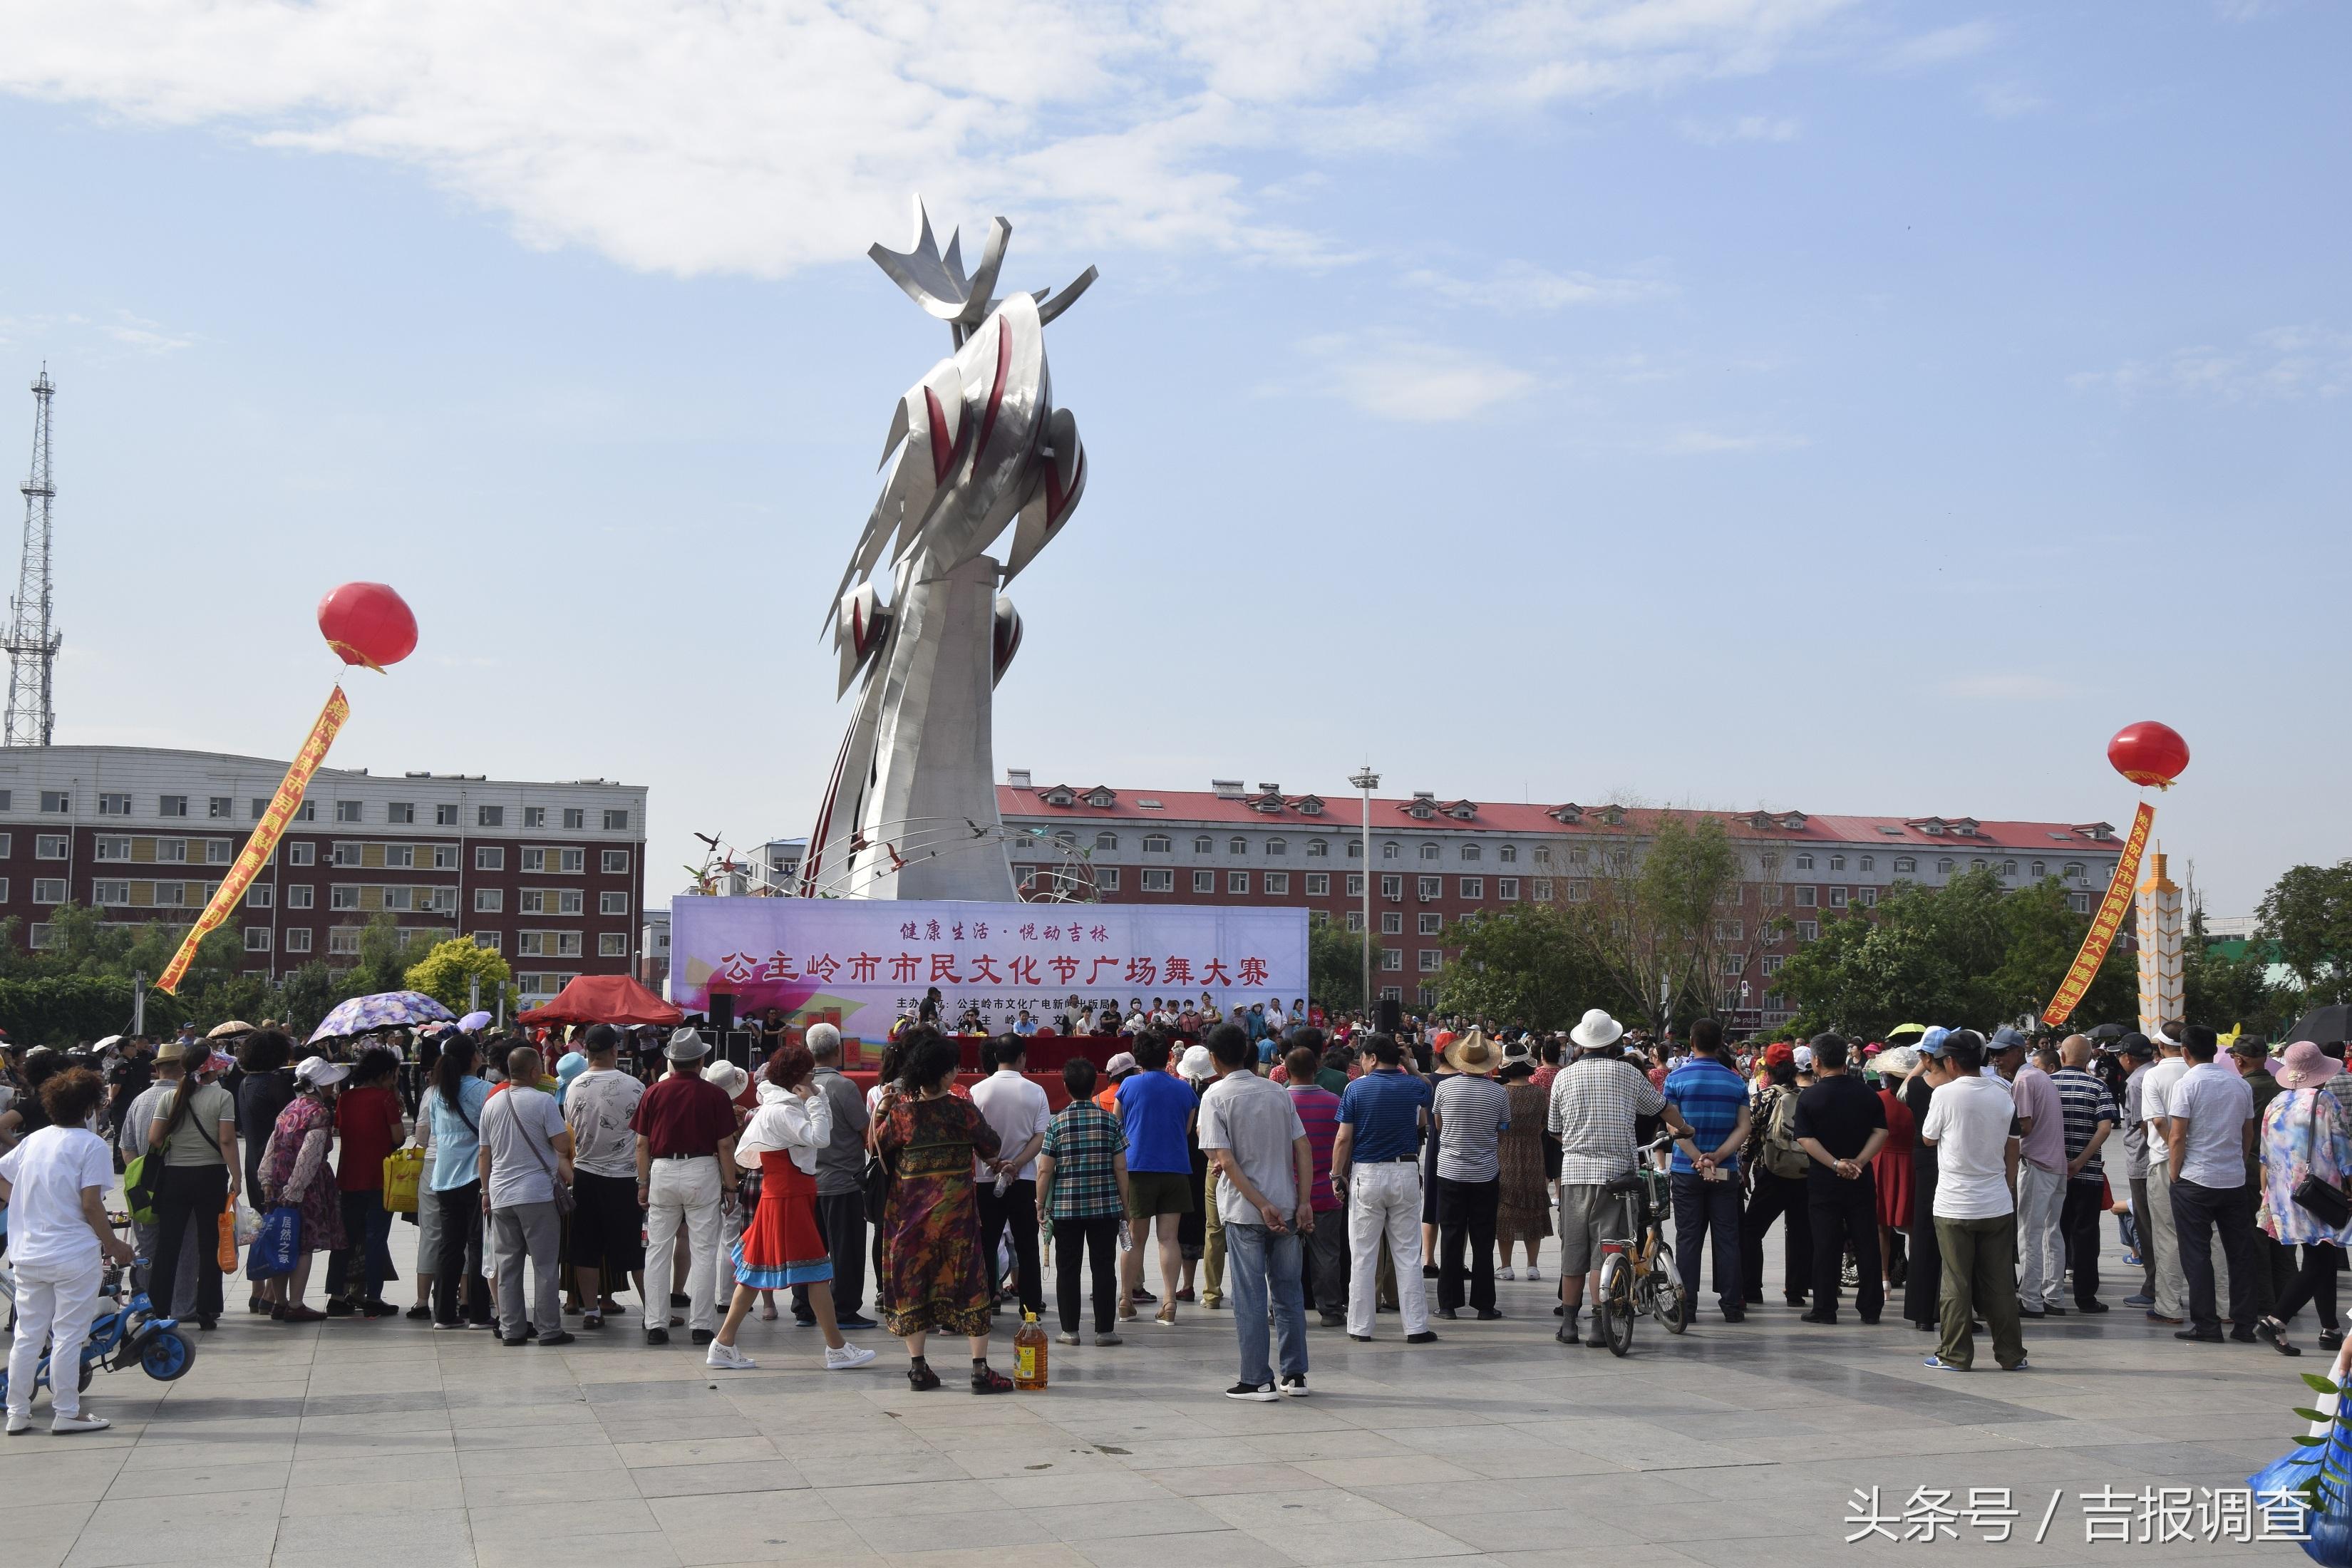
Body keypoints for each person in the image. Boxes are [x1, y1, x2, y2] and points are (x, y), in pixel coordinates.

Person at [706, 1042, 878, 1371]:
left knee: (757, 1273)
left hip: (787, 1194)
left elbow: (817, 1134)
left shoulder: (781, 1104)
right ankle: (837, 1349)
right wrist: (815, 1098)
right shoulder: (783, 1109)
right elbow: (820, 1138)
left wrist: (817, 1098)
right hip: (788, 1196)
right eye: (810, 1071)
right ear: (799, 1075)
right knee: (813, 1272)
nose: (814, 1076)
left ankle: (724, 1344)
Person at [873, 1029, 1014, 1392]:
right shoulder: (962, 1110)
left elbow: (879, 1148)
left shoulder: (902, 1114)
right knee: (970, 1286)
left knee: (913, 1286)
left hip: (909, 1220)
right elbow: (991, 1144)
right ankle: (980, 1370)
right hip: (957, 1221)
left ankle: (919, 1369)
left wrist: (884, 1110)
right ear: (946, 1073)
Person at [0, 1068, 137, 1434]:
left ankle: (17, 1413)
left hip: (28, 1252)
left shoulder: (35, 1139)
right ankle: (67, 1412)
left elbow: (2, 1174)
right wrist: (114, 1245)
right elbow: (92, 1204)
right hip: (72, 1255)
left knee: (28, 1334)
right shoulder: (91, 1145)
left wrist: (23, 1205)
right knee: (68, 1334)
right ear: (92, 1107)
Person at [1549, 1009, 1678, 1346]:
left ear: (1580, 1042)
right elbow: (1662, 1107)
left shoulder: (1563, 1077)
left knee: (1574, 1250)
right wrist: (1686, 1127)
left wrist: (1578, 1144)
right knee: (1605, 1252)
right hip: (1617, 1175)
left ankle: (1568, 1325)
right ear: (1612, 1042)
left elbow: (1554, 1130)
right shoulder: (1627, 1073)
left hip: (1575, 1175)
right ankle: (1598, 1326)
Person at [1198, 1021, 1314, 1400]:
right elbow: (1303, 1148)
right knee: (1288, 1293)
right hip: (1285, 1204)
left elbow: (1226, 1161)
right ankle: (1294, 1375)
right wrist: (1304, 1201)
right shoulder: (1278, 1092)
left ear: (1214, 1059)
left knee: (1250, 1296)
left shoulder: (1215, 1096)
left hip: (1247, 1211)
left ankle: (1256, 1378)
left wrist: (1260, 1203)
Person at [1917, 1030, 2027, 1371]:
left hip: (1954, 1203)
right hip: (1995, 1201)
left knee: (1956, 1282)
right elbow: (2013, 1144)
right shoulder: (2004, 1092)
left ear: (1950, 1061)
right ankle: (2011, 1355)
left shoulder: (1945, 1095)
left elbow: (1928, 1138)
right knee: (2000, 1284)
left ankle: (1955, 1354)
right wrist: (2008, 1184)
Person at [631, 1028, 738, 1347]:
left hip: (662, 1171)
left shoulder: (653, 1092)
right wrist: (730, 1186)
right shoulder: (715, 1095)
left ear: (671, 1062)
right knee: (704, 1250)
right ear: (700, 1060)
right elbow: (725, 1146)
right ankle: (702, 1326)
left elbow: (641, 1145)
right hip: (702, 1170)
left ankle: (656, 1323)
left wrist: (642, 1183)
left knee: (657, 1250)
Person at [1332, 1031, 1436, 1344]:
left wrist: (1337, 1175)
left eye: (1362, 1057)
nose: (1360, 1063)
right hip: (1404, 1171)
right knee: (1407, 1253)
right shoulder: (1413, 1086)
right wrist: (1411, 1065)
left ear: (1373, 1058)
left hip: (1367, 1175)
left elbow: (1343, 1138)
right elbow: (1430, 1090)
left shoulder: (1355, 1089)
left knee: (1363, 1254)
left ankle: (1361, 1326)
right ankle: (1416, 1326)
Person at [2256, 1041, 2352, 1356]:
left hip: (2287, 1192)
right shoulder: (2325, 1102)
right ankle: (2276, 1319)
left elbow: (2265, 1154)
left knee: (2320, 1253)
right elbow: (2343, 1151)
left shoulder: (2277, 1102)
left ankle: (2331, 1328)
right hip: (2322, 1191)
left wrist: (2266, 1194)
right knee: (2319, 1258)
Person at [476, 1046, 576, 1348]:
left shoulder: (491, 1104)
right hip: (536, 1194)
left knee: (508, 1266)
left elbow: (484, 1153)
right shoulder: (543, 1101)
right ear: (534, 1071)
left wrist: (485, 1191)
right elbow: (561, 1145)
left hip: (501, 1194)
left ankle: (512, 1330)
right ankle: (548, 1330)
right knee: (545, 1266)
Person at [2167, 1023, 2260, 1344]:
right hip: (2233, 1179)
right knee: (2240, 1253)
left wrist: (2174, 1173)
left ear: (2185, 1052)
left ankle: (2207, 1324)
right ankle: (2245, 1324)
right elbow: (2247, 1132)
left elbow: (2178, 1135)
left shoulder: (2187, 1084)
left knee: (2197, 1254)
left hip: (2195, 1178)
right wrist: (2238, 1159)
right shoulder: (2239, 1085)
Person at [140, 1041, 240, 1331]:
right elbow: (226, 1140)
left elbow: (155, 1139)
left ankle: (158, 1307)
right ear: (210, 1067)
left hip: (175, 1177)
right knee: (209, 1245)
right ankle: (206, 1311)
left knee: (168, 1245)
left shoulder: (170, 1098)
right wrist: (237, 1176)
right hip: (211, 1176)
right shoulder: (222, 1097)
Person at [1791, 1033, 1888, 1324]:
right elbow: (1881, 1132)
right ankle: (1871, 1308)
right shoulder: (1866, 1093)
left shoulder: (1810, 1097)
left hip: (1824, 1179)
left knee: (1825, 1244)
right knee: (1866, 1241)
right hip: (1861, 1177)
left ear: (1817, 1061)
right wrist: (1858, 1161)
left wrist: (1835, 1164)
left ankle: (1825, 1307)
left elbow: (1806, 1139)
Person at [1662, 1017, 1751, 1326]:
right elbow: (1744, 1127)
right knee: (1728, 1237)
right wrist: (1719, 1156)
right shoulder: (1736, 1081)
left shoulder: (1676, 1078)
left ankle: (1687, 1306)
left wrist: (1698, 1158)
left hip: (1687, 1170)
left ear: (1691, 1042)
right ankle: (1732, 1305)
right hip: (1725, 1170)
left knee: (1688, 1239)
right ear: (1720, 1043)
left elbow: (1673, 1125)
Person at [1036, 1058, 1130, 1346]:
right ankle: (1105, 1331)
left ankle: (1070, 1331)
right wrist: (1125, 1206)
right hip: (1105, 1208)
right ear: (1095, 1086)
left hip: (1066, 1209)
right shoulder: (1110, 1121)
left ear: (1065, 1087)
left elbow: (1045, 1169)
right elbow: (1121, 1168)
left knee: (1068, 1268)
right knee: (1104, 1267)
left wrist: (1041, 1205)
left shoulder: (1057, 1123)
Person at [254, 1056, 351, 1322]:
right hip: (305, 1185)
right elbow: (309, 1154)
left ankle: (280, 1302)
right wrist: (295, 1189)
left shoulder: (289, 1109)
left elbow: (271, 1147)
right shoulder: (319, 1113)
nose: (333, 1088)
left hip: (276, 1181)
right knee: (303, 1244)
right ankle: (296, 1304)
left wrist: (266, 1179)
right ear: (319, 1085)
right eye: (330, 1083)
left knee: (281, 1242)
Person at [563, 1025, 646, 1330]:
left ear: (587, 1052)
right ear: (615, 1050)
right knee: (638, 1248)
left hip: (585, 1175)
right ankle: (653, 1311)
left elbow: (571, 1129)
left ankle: (591, 1311)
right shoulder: (635, 1086)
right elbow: (643, 1135)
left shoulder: (573, 1087)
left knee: (586, 1245)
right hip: (627, 1178)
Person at [796, 1024, 877, 1329]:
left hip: (807, 1180)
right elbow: (864, 1131)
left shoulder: (798, 1086)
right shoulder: (843, 1087)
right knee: (845, 1250)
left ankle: (803, 1307)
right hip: (842, 1181)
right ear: (838, 1050)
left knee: (809, 1248)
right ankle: (843, 1309)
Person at [1115, 1031, 1196, 1326]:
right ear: (1168, 1057)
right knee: (1169, 1238)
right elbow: (1187, 1129)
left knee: (1135, 1239)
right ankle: (1169, 1302)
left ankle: (1125, 1299)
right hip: (1175, 1168)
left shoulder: (1128, 1085)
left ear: (1139, 1057)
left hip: (1137, 1169)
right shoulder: (1184, 1089)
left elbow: (1118, 1125)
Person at [1431, 1028, 1510, 1321]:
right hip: (1485, 1173)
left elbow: (1438, 1125)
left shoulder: (1444, 1088)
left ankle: (1448, 1304)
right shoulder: (1499, 1093)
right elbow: (1502, 1131)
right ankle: (1485, 1305)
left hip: (1450, 1170)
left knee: (1451, 1237)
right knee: (1483, 1238)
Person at [971, 1033, 1051, 1319]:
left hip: (985, 1178)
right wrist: (1015, 1165)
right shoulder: (1035, 1091)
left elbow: (972, 1137)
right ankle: (1029, 1307)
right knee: (1027, 1243)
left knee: (986, 1243)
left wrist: (995, 1163)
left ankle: (985, 1303)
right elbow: (1040, 1136)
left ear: (995, 1057)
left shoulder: (977, 1091)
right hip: (1024, 1178)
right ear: (1022, 1057)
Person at [324, 1046, 405, 1318]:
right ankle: (373, 1296)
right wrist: (394, 1096)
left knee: (344, 1239)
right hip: (380, 1179)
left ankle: (336, 1295)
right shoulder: (385, 1099)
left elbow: (342, 1129)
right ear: (386, 1074)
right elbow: (398, 1138)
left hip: (348, 1176)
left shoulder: (345, 1098)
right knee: (375, 1238)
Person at [426, 1036, 496, 1330]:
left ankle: (443, 1313)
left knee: (449, 1245)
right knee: (478, 1244)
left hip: (444, 1177)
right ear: (473, 1059)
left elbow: (433, 1130)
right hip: (474, 1177)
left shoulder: (435, 1093)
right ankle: (480, 1314)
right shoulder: (486, 1091)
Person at [2049, 1033, 2117, 1315]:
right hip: (2087, 1175)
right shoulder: (2098, 1086)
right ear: (2090, 1058)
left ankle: (2047, 1293)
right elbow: (2105, 1128)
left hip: (2050, 1174)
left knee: (2051, 1232)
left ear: (2061, 1057)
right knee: (2086, 1234)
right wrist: (2079, 1162)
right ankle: (2086, 1297)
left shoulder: (2047, 1084)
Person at [2001, 1028, 2067, 1318]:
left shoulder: (2025, 1079)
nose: (1997, 1059)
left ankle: (2030, 1299)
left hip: (2037, 1163)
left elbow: (2023, 1127)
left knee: (2030, 1233)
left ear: (2018, 1052)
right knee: (2051, 1233)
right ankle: (2053, 1296)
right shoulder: (2040, 1076)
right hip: (2056, 1164)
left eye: (2002, 1053)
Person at [1281, 1041, 1347, 1323]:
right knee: (1327, 1254)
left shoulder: (1280, 1103)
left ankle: (1281, 1308)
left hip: (1285, 1193)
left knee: (1282, 1256)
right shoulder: (1335, 1102)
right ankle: (1331, 1309)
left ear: (1286, 1069)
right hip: (1326, 1193)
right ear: (1317, 1067)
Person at [233, 1030, 297, 1317]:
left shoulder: (245, 1083)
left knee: (260, 1223)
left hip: (253, 1160)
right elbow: (290, 1125)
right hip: (277, 1162)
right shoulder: (277, 1084)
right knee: (278, 1224)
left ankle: (257, 1291)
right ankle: (272, 1293)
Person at [2140, 1026, 2199, 1324]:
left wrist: (2175, 1150)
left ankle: (2169, 1304)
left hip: (2165, 1160)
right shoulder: (2197, 1073)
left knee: (2167, 1234)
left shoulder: (2154, 1074)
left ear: (2162, 1046)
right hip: (2201, 1164)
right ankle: (2224, 1304)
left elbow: (2159, 1121)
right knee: (2211, 1236)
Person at [1899, 1032, 1949, 1332]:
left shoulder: (1916, 1087)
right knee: (1953, 1237)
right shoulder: (1957, 1087)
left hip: (1923, 1159)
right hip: (1952, 1160)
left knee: (1923, 1233)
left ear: (1927, 1058)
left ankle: (1921, 1312)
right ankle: (1952, 1308)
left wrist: (1920, 1067)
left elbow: (1902, 1090)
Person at [1494, 1043, 1552, 1284]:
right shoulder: (1539, 1093)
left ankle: (1506, 1265)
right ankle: (1532, 1265)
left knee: (1505, 1210)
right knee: (1534, 1208)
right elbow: (1545, 1123)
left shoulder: (1500, 1093)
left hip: (1504, 1152)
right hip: (1533, 1152)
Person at [2116, 1033, 2159, 1310]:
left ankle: (2153, 1286)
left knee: (2147, 1226)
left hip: (2143, 1162)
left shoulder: (2135, 1082)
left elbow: (2143, 1124)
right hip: (2157, 1160)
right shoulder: (2156, 1073)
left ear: (2128, 1057)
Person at [1872, 1046, 1917, 1301]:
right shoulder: (1921, 1099)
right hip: (1911, 1162)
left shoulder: (1878, 1099)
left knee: (1881, 1226)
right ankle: (1917, 1277)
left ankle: (1883, 1278)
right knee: (1914, 1226)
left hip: (1882, 1161)